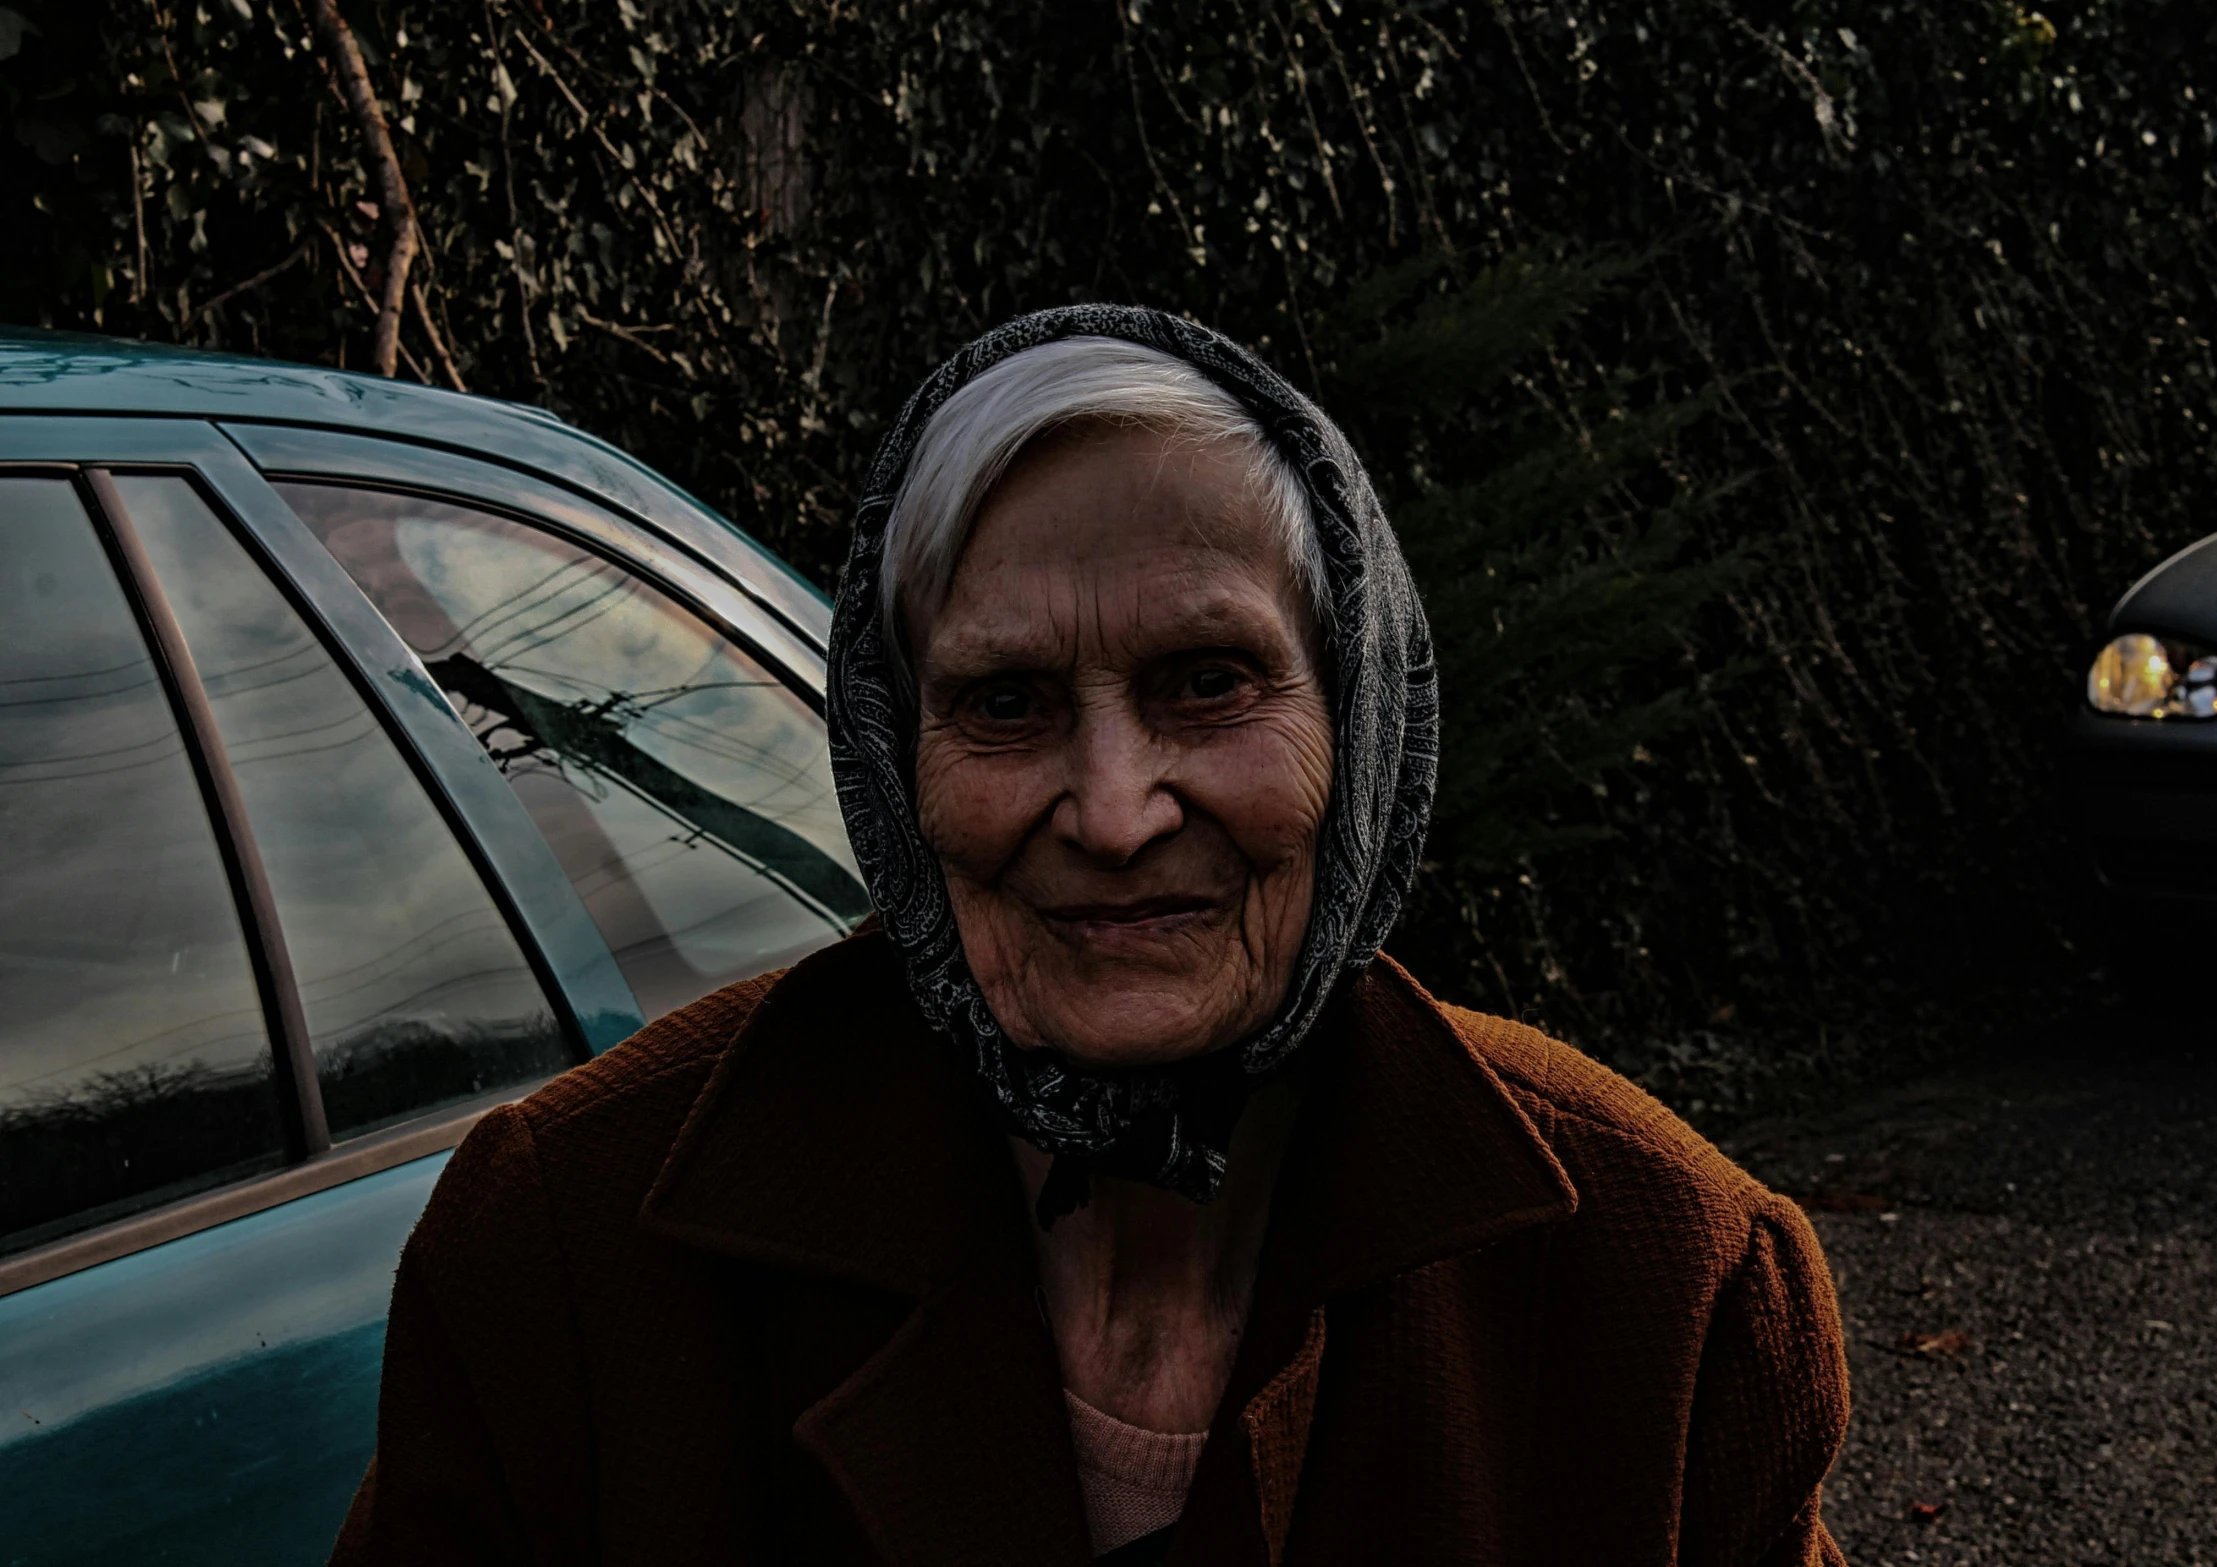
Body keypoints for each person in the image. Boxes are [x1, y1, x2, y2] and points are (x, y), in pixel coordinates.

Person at [330, 306, 1849, 1567]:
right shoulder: (565, 1255)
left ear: (1360, 726)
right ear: (890, 752)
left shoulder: (1666, 1286)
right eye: (1004, 702)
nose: (1114, 811)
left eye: (1207, 680)